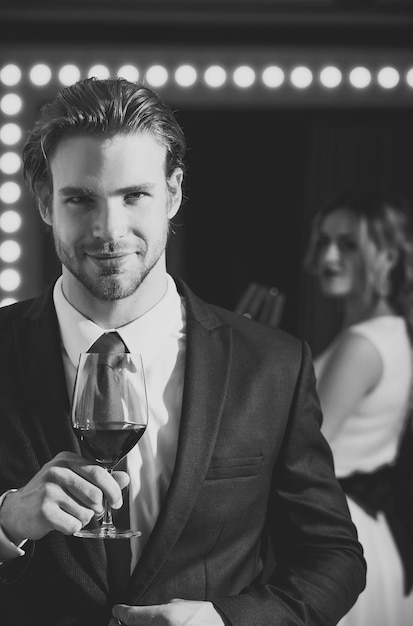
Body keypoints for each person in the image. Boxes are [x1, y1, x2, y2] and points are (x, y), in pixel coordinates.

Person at [0, 77, 366, 626]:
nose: (109, 229)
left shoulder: (273, 366)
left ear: (172, 193)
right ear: (44, 202)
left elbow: (333, 558)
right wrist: (7, 524)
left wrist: (224, 621)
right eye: (80, 198)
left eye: (134, 196)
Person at [304, 188, 413, 626]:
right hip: (368, 528)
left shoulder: (361, 344)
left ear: (387, 255)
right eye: (325, 241)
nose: (329, 255)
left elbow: (307, 451)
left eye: (348, 244)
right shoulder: (393, 333)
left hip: (336, 532)